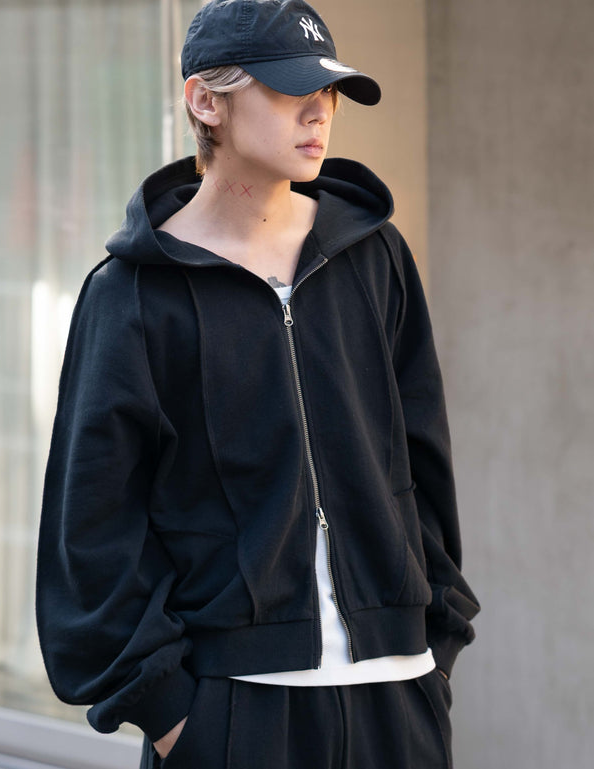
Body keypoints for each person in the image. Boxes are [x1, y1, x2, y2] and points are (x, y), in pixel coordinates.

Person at [36, 1, 479, 767]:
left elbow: (423, 464)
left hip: (397, 695)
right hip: (235, 710)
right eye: (287, 88)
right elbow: (93, 528)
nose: (318, 111)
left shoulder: (373, 257)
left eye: (329, 90)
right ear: (205, 102)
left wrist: (436, 647)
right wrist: (174, 716)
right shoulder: (133, 294)